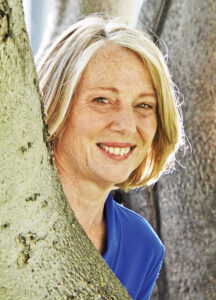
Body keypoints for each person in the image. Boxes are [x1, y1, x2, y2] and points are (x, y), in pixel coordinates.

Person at [37, 15, 184, 300]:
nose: (127, 126)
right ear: (57, 105)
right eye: (102, 100)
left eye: (144, 105)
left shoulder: (142, 247)